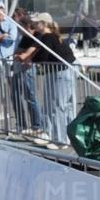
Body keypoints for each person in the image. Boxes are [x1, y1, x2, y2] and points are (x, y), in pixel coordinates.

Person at [31, 12, 76, 150]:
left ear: (44, 24)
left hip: (59, 73)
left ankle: (60, 140)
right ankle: (66, 137)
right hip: (64, 71)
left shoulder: (48, 37)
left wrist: (30, 58)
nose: (34, 25)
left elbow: (42, 56)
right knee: (65, 106)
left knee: (57, 106)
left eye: (37, 22)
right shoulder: (54, 36)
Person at [12, 11, 49, 145]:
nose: (18, 29)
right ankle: (21, 124)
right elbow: (17, 53)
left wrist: (24, 55)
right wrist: (23, 54)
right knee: (15, 96)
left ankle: (36, 125)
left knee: (30, 97)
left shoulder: (37, 36)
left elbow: (24, 55)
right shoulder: (25, 38)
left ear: (27, 26)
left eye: (20, 27)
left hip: (28, 70)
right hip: (18, 69)